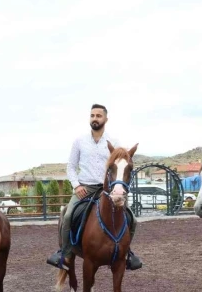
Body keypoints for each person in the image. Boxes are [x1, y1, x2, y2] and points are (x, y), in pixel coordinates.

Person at [47, 104, 142, 271]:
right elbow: (71, 166)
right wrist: (76, 186)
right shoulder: (79, 141)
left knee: (131, 218)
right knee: (68, 215)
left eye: (98, 115)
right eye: (92, 115)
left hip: (107, 189)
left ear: (106, 119)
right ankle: (65, 253)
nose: (95, 118)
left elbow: (120, 165)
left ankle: (127, 253)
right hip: (85, 188)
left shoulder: (115, 142)